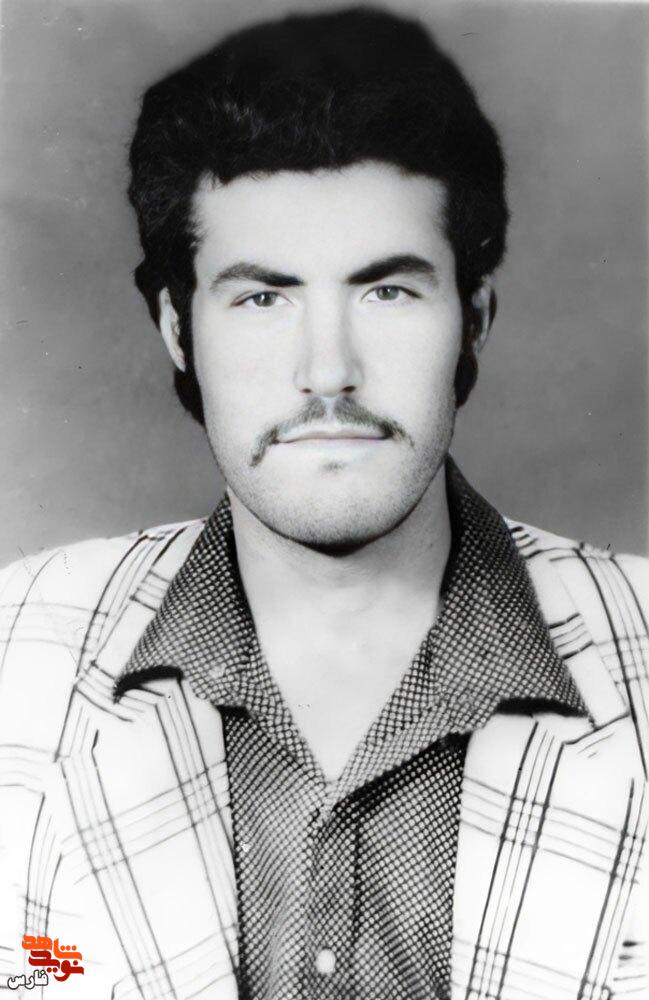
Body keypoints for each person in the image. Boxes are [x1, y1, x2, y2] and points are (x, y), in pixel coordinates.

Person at [0, 7, 647, 999]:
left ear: (473, 318)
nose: (328, 370)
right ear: (176, 329)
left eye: (388, 292)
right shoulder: (15, 654)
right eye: (263, 297)